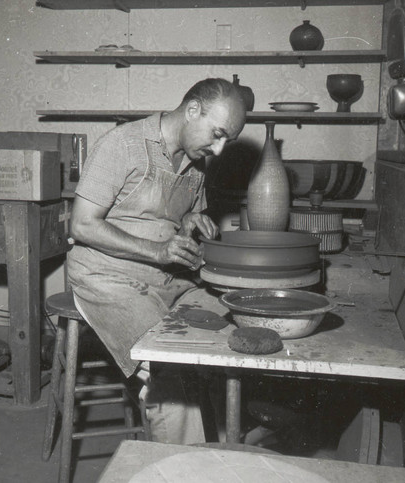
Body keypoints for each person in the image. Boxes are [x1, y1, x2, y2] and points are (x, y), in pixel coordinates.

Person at [67, 77, 247, 444]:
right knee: (173, 367)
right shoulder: (122, 145)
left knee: (230, 330)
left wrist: (189, 221)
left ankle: (217, 453)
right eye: (217, 133)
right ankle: (181, 467)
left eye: (227, 139)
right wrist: (156, 252)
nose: (220, 148)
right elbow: (83, 225)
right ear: (192, 109)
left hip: (166, 277)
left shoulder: (198, 161)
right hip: (107, 278)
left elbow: (172, 220)